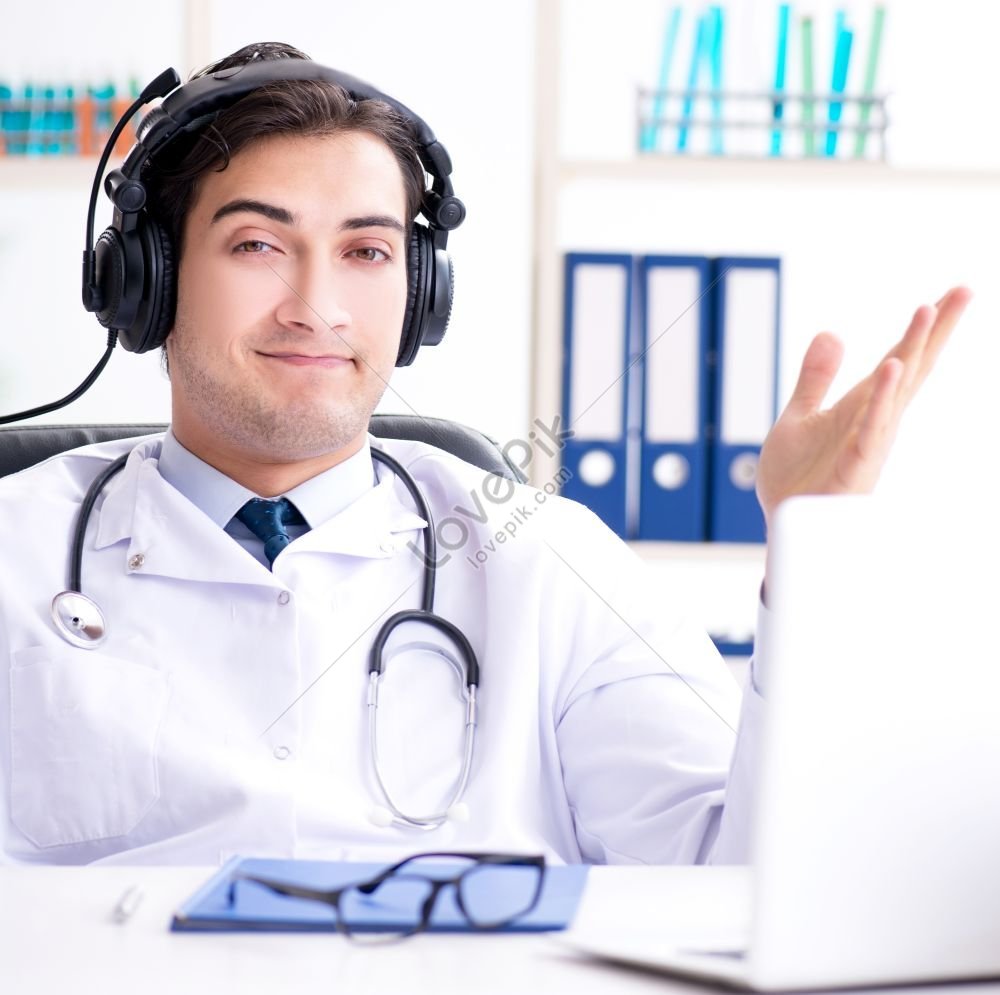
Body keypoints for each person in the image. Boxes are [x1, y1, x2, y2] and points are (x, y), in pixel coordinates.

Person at [0, 43, 970, 866]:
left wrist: (806, 559)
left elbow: (738, 878)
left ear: (423, 292)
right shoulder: (17, 550)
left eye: (368, 253)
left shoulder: (547, 561)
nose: (317, 305)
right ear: (144, 279)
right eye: (258, 244)